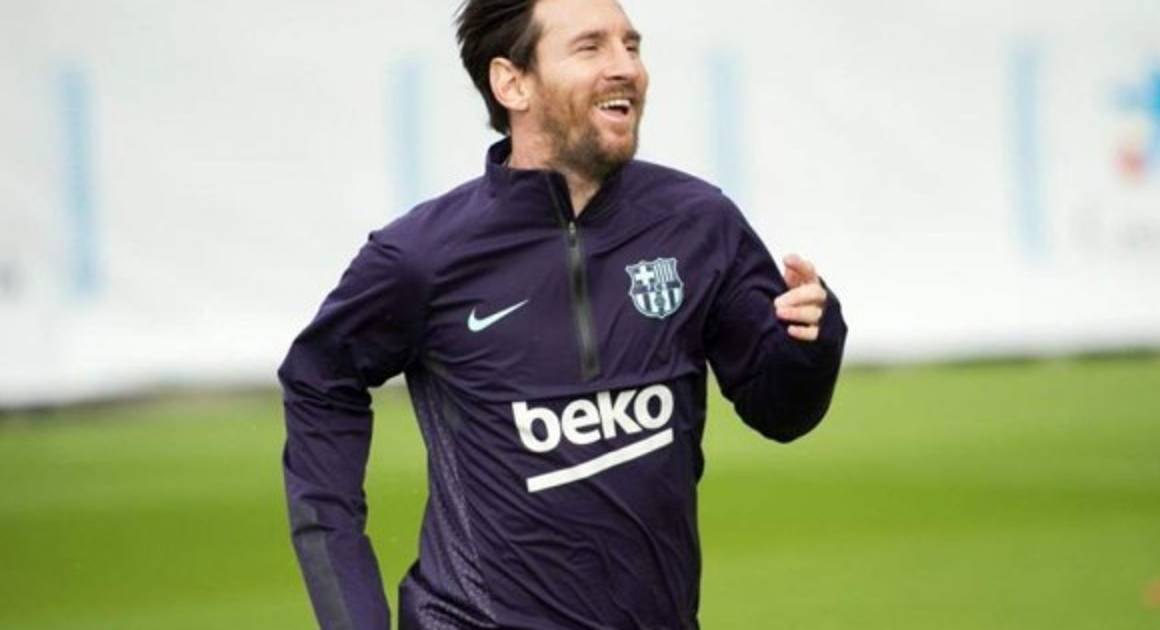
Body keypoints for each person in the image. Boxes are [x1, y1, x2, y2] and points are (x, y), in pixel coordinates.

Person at [278, 0, 848, 627]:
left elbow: (782, 412)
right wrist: (352, 613)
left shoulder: (699, 222)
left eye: (631, 45)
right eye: (590, 47)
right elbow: (319, 380)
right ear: (512, 83)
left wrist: (812, 339)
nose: (625, 66)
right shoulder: (422, 256)